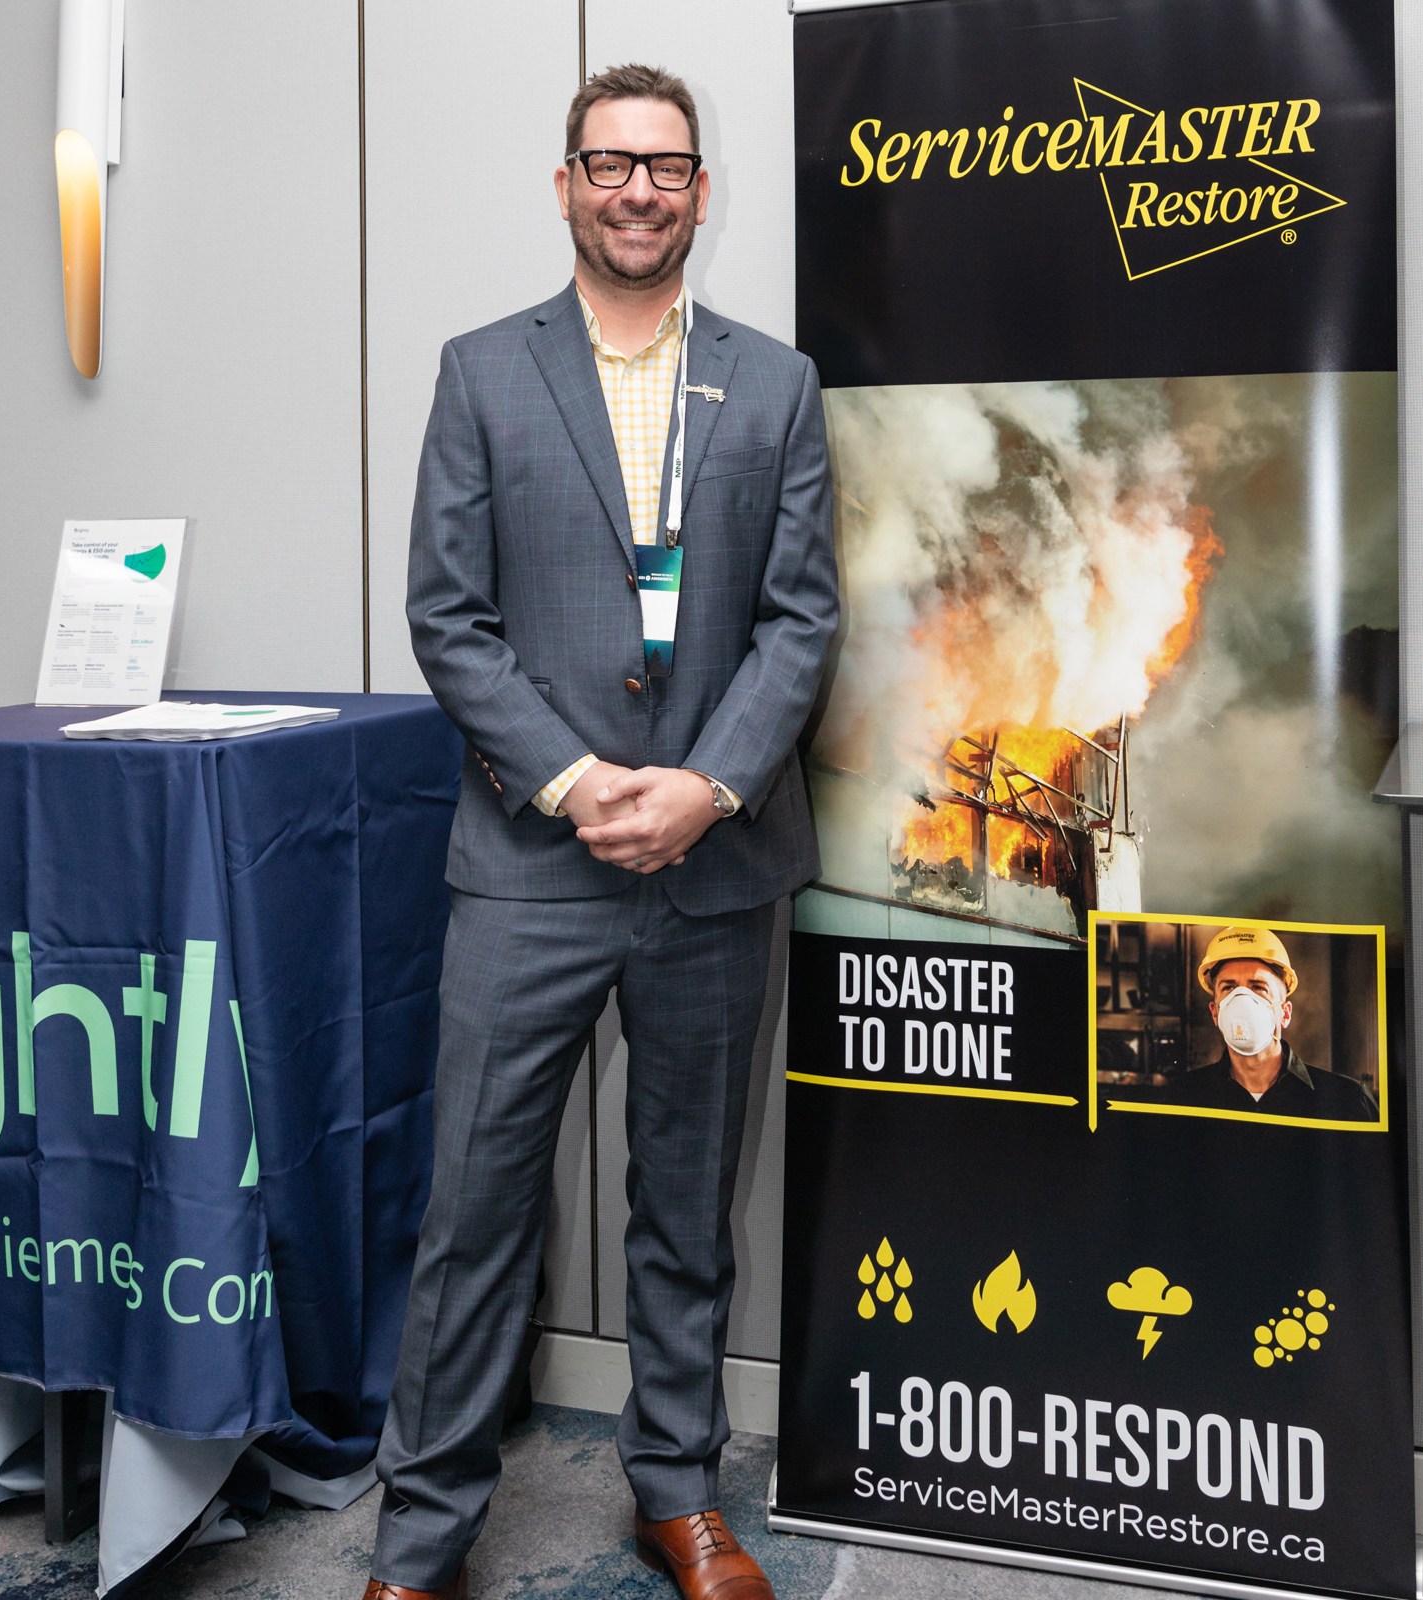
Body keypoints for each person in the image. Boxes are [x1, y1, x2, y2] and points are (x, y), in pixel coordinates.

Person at [364, 63, 837, 1600]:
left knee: (688, 1208)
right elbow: (451, 619)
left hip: (715, 861)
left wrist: (704, 787)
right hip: (528, 866)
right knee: (475, 1215)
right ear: (564, 183)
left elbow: (798, 620)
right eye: (611, 163)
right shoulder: (482, 372)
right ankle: (420, 1538)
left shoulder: (776, 384)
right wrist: (580, 786)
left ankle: (675, 1493)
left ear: (704, 192)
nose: (640, 189)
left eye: (669, 167)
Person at [1159, 926, 1378, 1121]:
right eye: (1228, 988)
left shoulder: (1347, 1102)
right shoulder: (1182, 1097)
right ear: (1215, 1013)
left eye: (1258, 987)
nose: (1242, 999)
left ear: (1284, 1012)